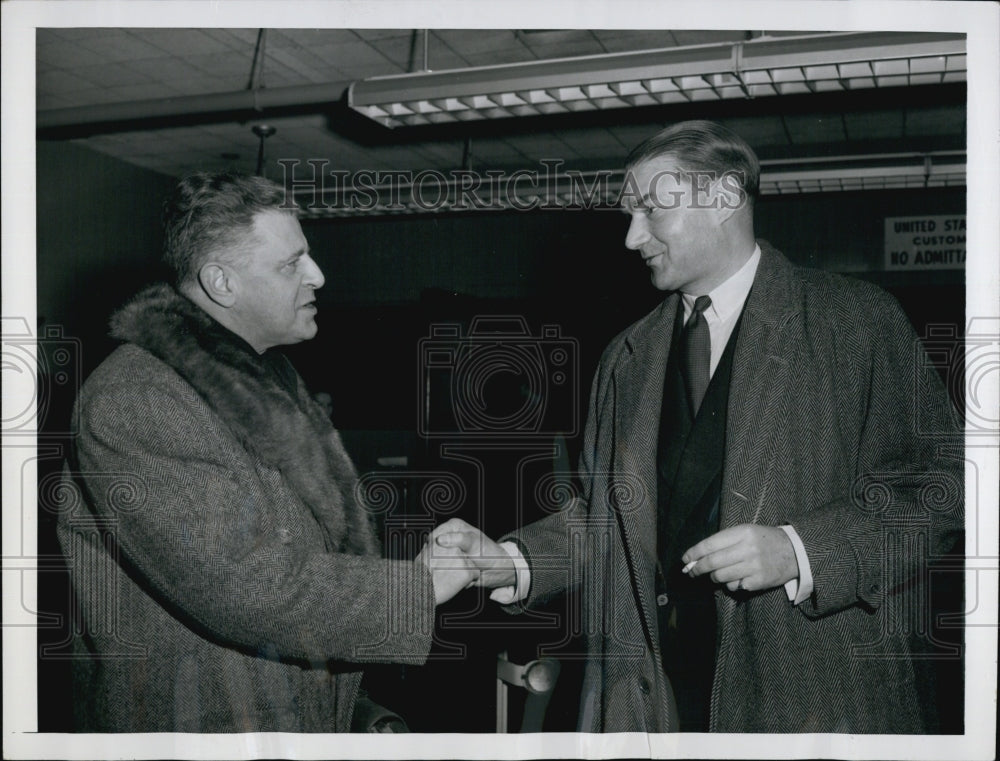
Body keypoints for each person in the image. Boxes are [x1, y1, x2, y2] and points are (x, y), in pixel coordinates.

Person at [431, 120, 964, 733]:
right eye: (629, 215)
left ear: (725, 198)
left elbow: (942, 492)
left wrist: (800, 550)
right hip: (653, 700)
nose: (632, 237)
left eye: (652, 211)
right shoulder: (623, 358)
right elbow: (601, 517)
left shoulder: (856, 324)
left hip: (809, 696)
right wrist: (510, 561)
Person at [56, 171, 474, 732]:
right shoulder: (139, 397)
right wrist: (415, 589)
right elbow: (243, 585)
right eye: (290, 263)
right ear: (221, 282)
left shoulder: (260, 376)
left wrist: (361, 714)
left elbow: (307, 559)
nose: (318, 276)